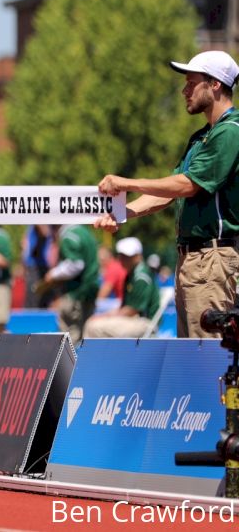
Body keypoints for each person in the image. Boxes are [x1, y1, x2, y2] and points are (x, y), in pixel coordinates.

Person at [96, 51, 239, 339]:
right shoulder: (201, 137)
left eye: (191, 83)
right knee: (190, 354)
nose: (184, 90)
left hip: (214, 258)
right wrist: (122, 214)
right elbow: (169, 193)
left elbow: (187, 185)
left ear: (214, 85)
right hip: (192, 260)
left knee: (207, 358)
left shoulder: (232, 131)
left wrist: (126, 183)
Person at [84, 237, 160, 338]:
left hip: (144, 323)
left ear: (138, 256)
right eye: (121, 255)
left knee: (94, 327)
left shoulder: (141, 277)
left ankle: (93, 354)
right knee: (92, 323)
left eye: (127, 256)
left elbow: (132, 310)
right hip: (135, 319)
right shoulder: (131, 274)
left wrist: (106, 316)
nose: (123, 259)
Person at [39, 224, 100, 344]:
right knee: (85, 338)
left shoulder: (68, 235)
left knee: (70, 340)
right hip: (89, 291)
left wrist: (53, 274)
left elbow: (75, 264)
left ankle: (73, 364)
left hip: (75, 293)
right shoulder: (84, 231)